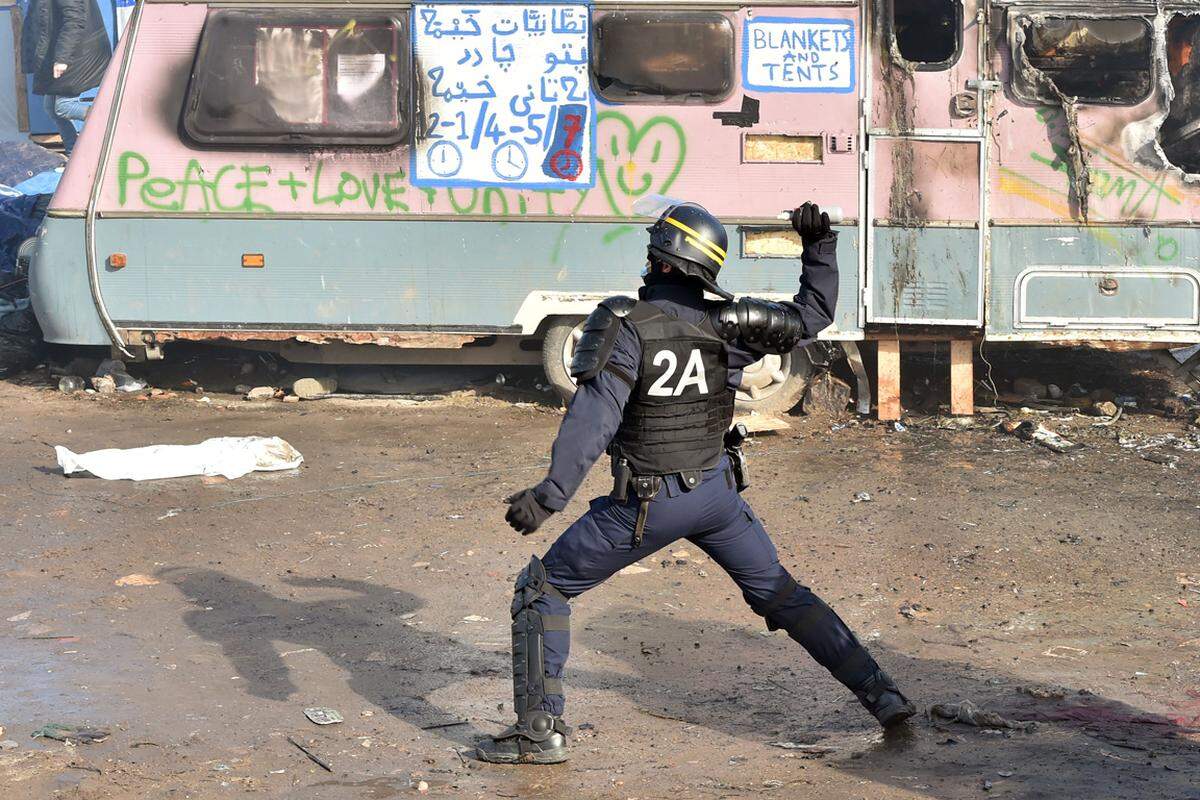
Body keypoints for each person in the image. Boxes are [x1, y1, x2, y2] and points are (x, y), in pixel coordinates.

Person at [476, 201, 916, 765]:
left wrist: (548, 497)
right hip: (716, 498)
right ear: (707, 268)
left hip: (644, 508)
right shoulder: (731, 326)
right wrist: (819, 248)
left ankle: (538, 735)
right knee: (782, 595)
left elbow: (593, 419)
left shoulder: (624, 326)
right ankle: (883, 695)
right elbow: (812, 315)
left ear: (658, 259)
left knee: (542, 591)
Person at [20, 0, 112, 155]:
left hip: (77, 54)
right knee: (51, 109)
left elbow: (74, 21)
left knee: (63, 107)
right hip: (59, 52)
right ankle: (73, 154)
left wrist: (62, 59)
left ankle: (110, 118)